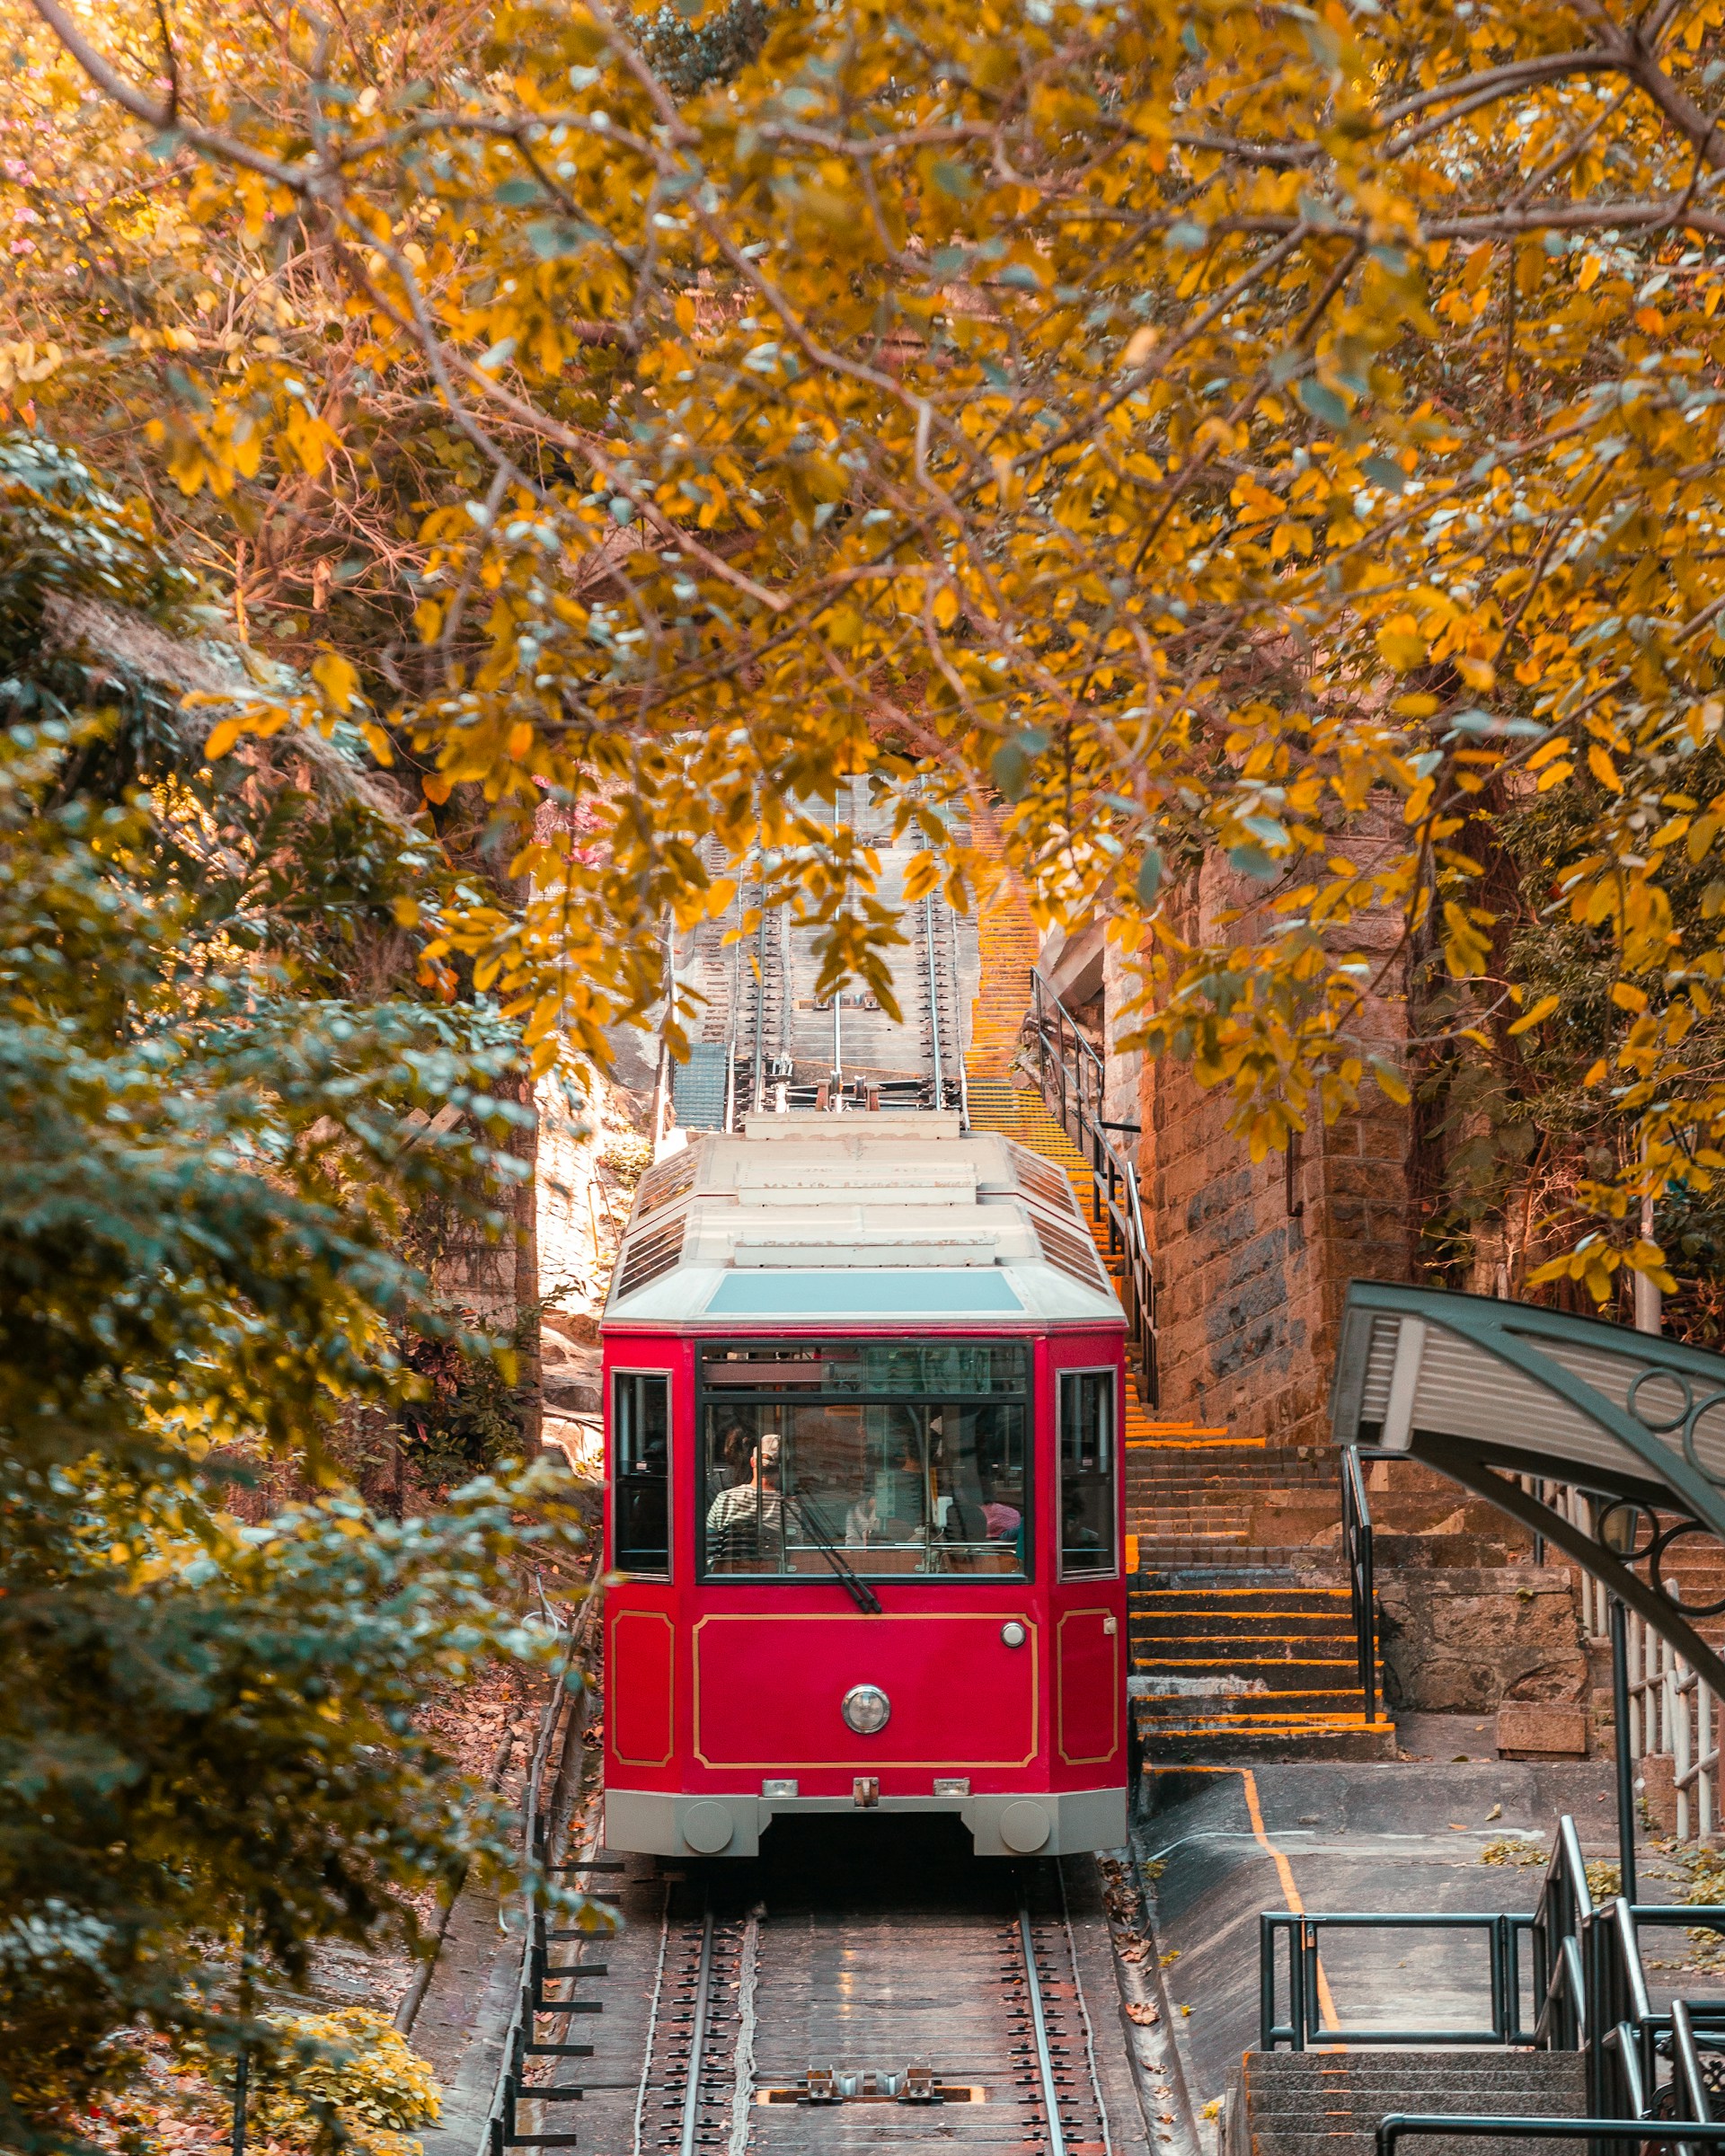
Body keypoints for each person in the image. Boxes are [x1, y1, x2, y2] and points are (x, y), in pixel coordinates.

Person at [706, 1430, 784, 1568]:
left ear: (753, 1461)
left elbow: (708, 1543)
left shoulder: (726, 1499)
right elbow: (796, 1548)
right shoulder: (788, 1507)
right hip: (774, 1575)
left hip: (728, 1578)